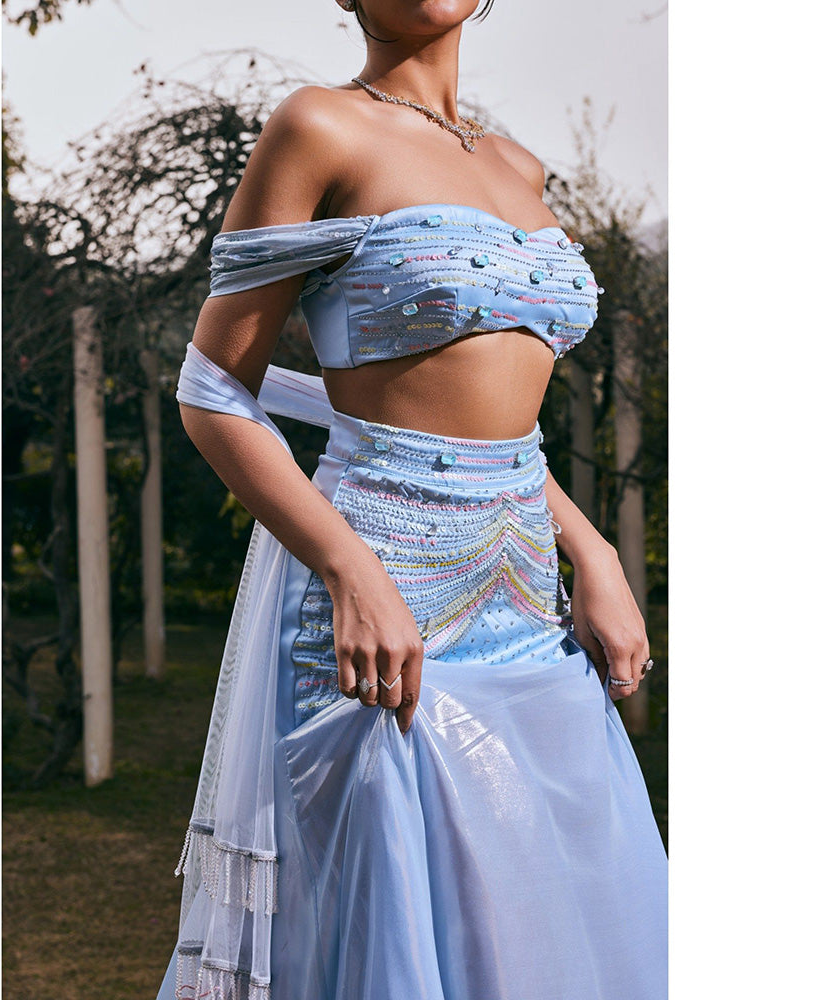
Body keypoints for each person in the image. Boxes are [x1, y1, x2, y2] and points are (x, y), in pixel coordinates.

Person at [155, 2, 668, 998]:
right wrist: (348, 568)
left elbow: (495, 426)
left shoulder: (520, 168)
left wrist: (593, 551)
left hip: (530, 600)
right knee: (387, 932)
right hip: (385, 593)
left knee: (544, 920)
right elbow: (212, 391)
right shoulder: (318, 126)